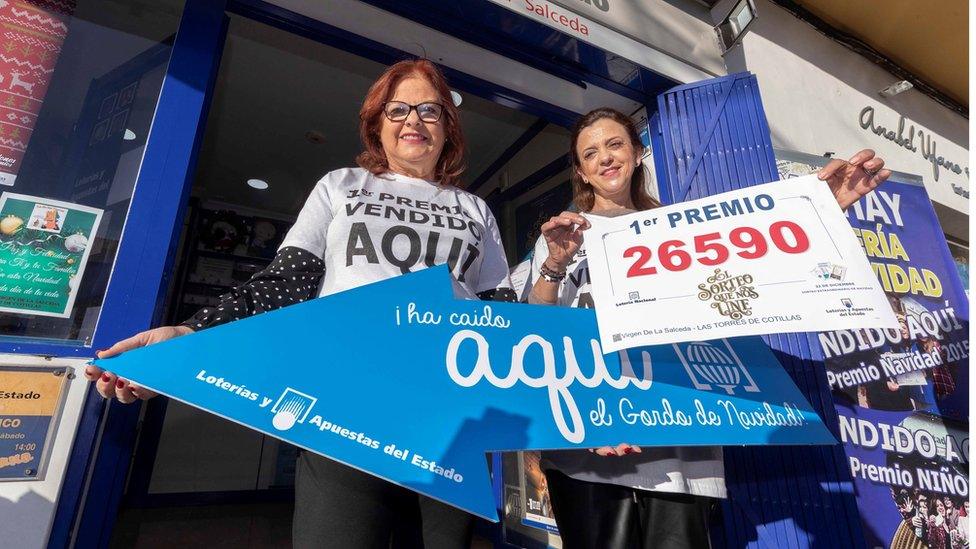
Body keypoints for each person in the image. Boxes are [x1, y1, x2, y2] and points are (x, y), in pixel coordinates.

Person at [85, 59, 515, 549]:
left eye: (429, 110)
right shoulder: (342, 185)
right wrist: (188, 336)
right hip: (345, 400)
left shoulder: (475, 209)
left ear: (448, 128)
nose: (412, 120)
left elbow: (498, 312)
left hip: (449, 407)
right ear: (377, 123)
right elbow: (285, 283)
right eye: (397, 109)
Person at [527, 107, 892, 548]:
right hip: (592, 444)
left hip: (682, 446)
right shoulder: (563, 237)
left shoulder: (683, 230)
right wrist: (554, 263)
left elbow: (765, 255)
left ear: (638, 153)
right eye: (590, 153)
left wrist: (820, 211)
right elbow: (539, 329)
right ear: (581, 172)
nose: (605, 158)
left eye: (615, 144)